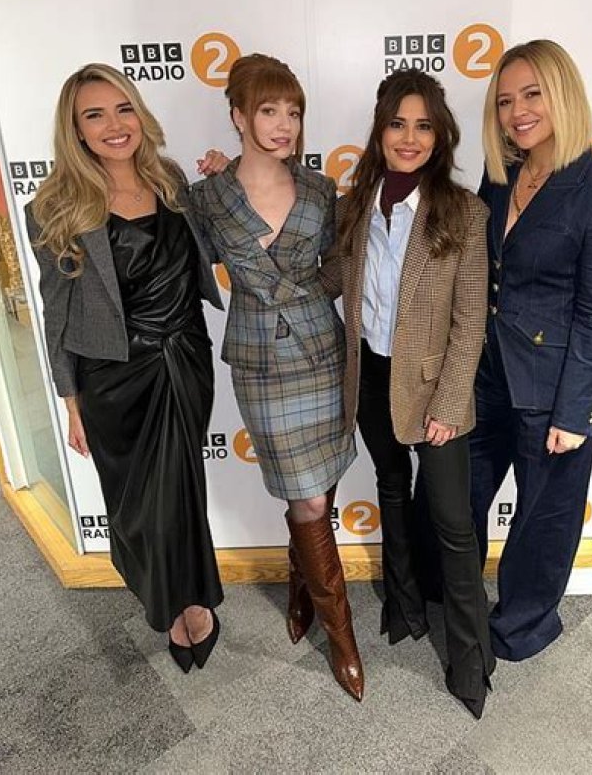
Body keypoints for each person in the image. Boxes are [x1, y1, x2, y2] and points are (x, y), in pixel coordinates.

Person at [27, 63, 225, 674]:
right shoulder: (54, 207)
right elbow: (55, 313)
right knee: (139, 509)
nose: (114, 125)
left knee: (183, 492)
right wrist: (70, 402)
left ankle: (192, 602)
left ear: (139, 114)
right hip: (113, 378)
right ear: (76, 130)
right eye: (95, 115)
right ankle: (168, 599)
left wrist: (224, 181)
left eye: (123, 109)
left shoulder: (170, 180)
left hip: (184, 359)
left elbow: (213, 250)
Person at [189, 53, 364, 702]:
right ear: (238, 116)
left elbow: (341, 263)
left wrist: (306, 295)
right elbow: (189, 267)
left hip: (322, 356)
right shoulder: (206, 198)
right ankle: (344, 641)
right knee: (308, 499)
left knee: (317, 492)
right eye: (268, 110)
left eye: (293, 111)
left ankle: (300, 587)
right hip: (261, 365)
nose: (284, 123)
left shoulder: (321, 189)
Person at [321, 68, 494, 719]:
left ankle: (471, 659)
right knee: (391, 488)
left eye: (424, 126)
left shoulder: (464, 212)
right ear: (380, 130)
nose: (410, 138)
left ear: (440, 135)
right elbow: (331, 279)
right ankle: (403, 605)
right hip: (369, 375)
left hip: (434, 388)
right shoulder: (353, 205)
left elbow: (470, 322)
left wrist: (449, 406)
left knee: (452, 522)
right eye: (398, 124)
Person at [468, 39, 592, 661]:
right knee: (459, 498)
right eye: (505, 100)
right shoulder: (500, 178)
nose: (517, 112)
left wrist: (574, 413)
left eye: (532, 94)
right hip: (488, 375)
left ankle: (520, 628)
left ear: (563, 94)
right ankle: (457, 605)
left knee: (543, 522)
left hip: (557, 390)